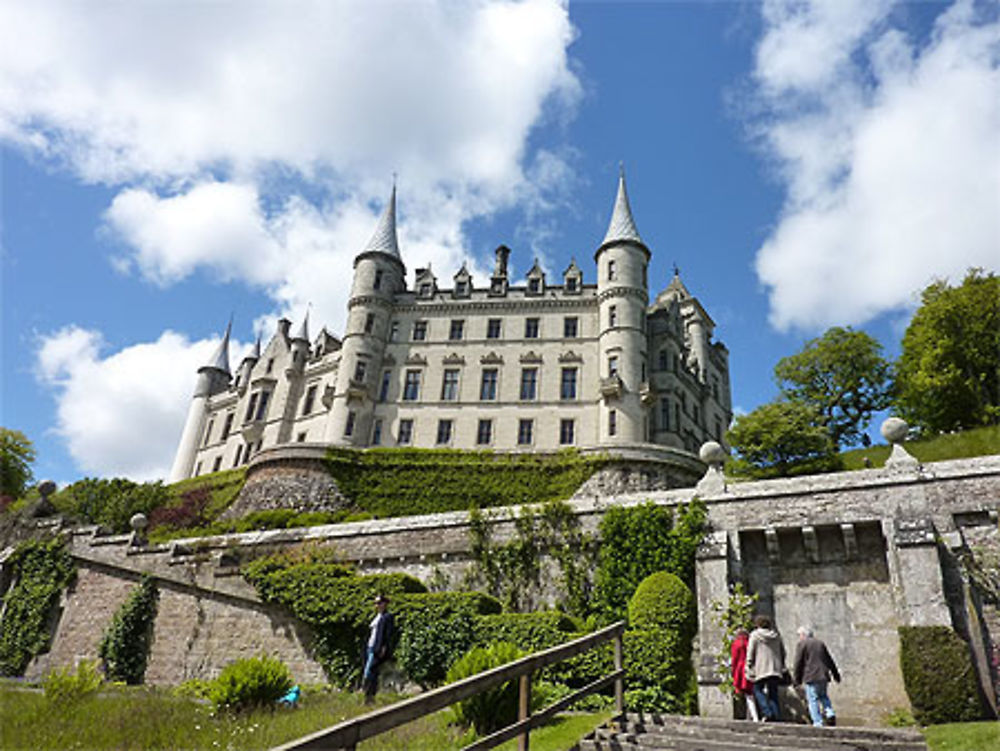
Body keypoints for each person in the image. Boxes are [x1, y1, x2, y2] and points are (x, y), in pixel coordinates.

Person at [793, 625, 841, 727]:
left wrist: (796, 679)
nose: (799, 637)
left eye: (799, 635)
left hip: (811, 675)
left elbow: (798, 662)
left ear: (803, 635)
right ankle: (830, 713)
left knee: (812, 699)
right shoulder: (820, 643)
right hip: (823, 675)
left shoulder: (802, 644)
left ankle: (817, 722)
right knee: (823, 696)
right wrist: (835, 674)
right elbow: (829, 660)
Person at [745, 614, 786, 722]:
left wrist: (749, 665)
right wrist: (781, 664)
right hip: (775, 669)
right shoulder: (776, 636)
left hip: (761, 668)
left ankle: (767, 712)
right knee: (773, 692)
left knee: (757, 689)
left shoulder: (755, 635)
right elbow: (783, 652)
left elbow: (750, 652)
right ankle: (776, 716)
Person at [361, 593, 395, 703]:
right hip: (370, 647)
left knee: (370, 671)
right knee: (369, 671)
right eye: (375, 603)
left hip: (377, 648)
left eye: (379, 603)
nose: (377, 605)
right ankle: (368, 697)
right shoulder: (376, 617)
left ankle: (369, 697)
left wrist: (383, 647)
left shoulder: (387, 617)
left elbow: (388, 634)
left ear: (385, 604)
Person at [731, 628, 759, 721]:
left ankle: (754, 716)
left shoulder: (736, 644)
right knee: (750, 692)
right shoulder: (750, 643)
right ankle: (750, 716)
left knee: (747, 693)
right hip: (751, 668)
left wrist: (733, 670)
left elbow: (734, 658)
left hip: (740, 669)